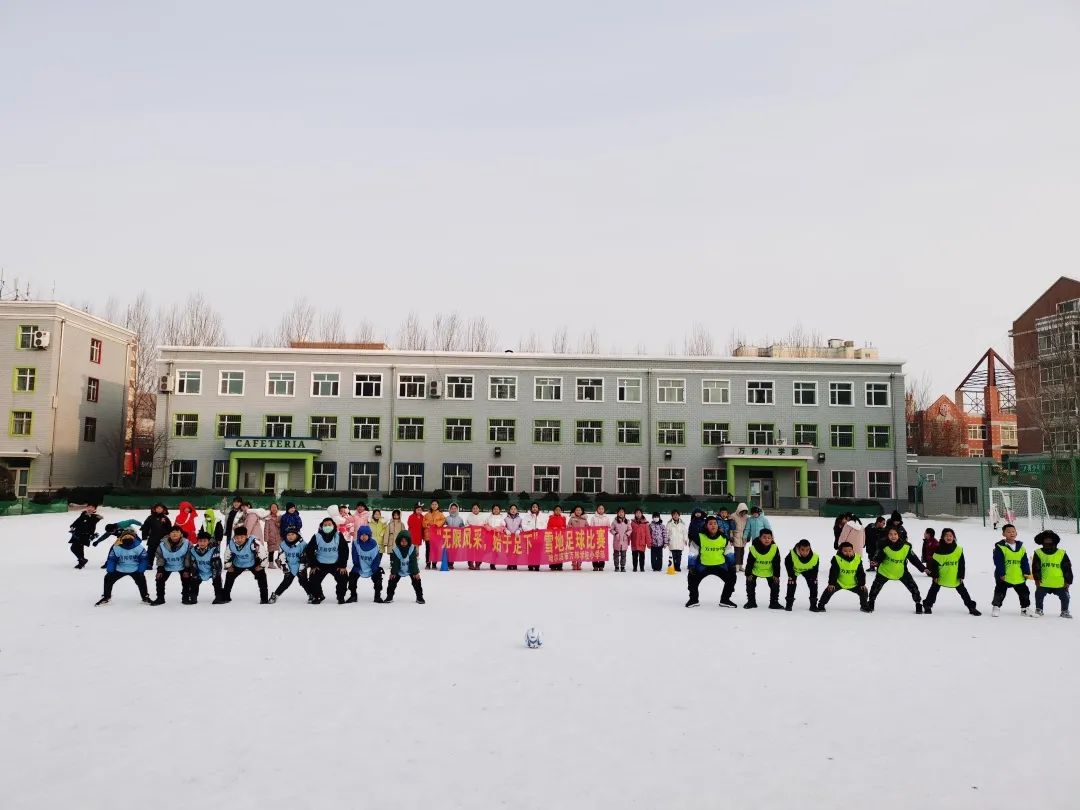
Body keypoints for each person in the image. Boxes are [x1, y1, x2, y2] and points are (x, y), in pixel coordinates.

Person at [867, 526, 926, 614]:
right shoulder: (883, 545)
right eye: (890, 534)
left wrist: (923, 568)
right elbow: (878, 556)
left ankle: (918, 603)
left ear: (899, 535)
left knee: (913, 587)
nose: (893, 536)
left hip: (901, 572)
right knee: (875, 588)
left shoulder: (906, 546)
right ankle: (871, 602)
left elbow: (914, 559)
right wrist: (875, 561)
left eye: (895, 534)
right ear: (887, 535)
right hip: (884, 571)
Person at [923, 528, 980, 616]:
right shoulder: (938, 549)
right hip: (941, 575)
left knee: (963, 591)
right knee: (933, 590)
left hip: (954, 575)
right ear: (942, 537)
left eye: (950, 536)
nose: (948, 537)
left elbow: (962, 564)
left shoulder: (958, 549)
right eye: (946, 536)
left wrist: (961, 576)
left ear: (954, 537)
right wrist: (935, 576)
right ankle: (928, 606)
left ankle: (971, 607)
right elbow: (934, 565)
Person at [685, 515, 737, 608]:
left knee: (732, 577)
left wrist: (732, 564)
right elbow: (693, 552)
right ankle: (693, 599)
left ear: (718, 525)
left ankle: (725, 600)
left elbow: (729, 551)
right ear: (706, 526)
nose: (713, 526)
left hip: (720, 566)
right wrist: (691, 565)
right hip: (703, 566)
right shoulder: (699, 537)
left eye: (715, 523)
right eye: (710, 524)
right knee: (691, 577)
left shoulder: (724, 538)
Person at [95, 528, 151, 606]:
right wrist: (111, 569)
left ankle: (145, 597)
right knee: (108, 578)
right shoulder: (117, 547)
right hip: (120, 568)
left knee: (141, 581)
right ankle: (106, 597)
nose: (127, 538)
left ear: (134, 538)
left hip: (135, 569)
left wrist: (141, 569)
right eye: (125, 537)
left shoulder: (139, 547)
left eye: (130, 537)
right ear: (121, 538)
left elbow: (144, 559)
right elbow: (112, 559)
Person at [991, 524, 1034, 617]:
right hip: (1004, 575)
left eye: (1013, 531)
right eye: (1008, 531)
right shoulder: (1000, 547)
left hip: (1018, 575)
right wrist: (1001, 573)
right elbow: (998, 562)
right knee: (1000, 591)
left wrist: (1026, 572)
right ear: (1003, 534)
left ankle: (1025, 609)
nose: (1011, 533)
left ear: (1016, 533)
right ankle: (996, 607)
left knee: (1024, 592)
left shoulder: (1021, 547)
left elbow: (1024, 562)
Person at [305, 517, 349, 604]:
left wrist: (342, 566)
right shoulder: (317, 536)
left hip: (336, 564)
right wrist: (313, 565)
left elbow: (344, 550)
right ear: (321, 527)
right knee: (313, 579)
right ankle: (318, 596)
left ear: (333, 526)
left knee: (343, 578)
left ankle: (340, 597)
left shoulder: (338, 536)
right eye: (325, 525)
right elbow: (309, 551)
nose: (327, 526)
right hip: (320, 564)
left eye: (329, 524)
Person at [222, 525, 269, 604]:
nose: (239, 539)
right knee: (229, 576)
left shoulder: (253, 542)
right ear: (234, 537)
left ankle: (264, 599)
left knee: (262, 577)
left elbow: (263, 553)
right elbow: (227, 554)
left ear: (246, 536)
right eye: (237, 537)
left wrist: (262, 565)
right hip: (238, 563)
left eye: (242, 537)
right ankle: (226, 597)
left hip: (253, 563)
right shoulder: (232, 544)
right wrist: (228, 566)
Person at [817, 541, 869, 612]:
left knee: (864, 591)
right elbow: (833, 572)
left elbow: (861, 573)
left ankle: (864, 606)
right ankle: (821, 605)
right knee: (829, 590)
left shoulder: (857, 559)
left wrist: (862, 583)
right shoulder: (837, 559)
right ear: (841, 551)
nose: (848, 552)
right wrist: (831, 584)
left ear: (853, 550)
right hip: (839, 582)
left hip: (853, 583)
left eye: (850, 550)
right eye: (845, 551)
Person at [1033, 530, 1073, 618]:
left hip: (1059, 583)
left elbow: (1067, 568)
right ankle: (1039, 609)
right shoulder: (1038, 552)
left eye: (1050, 539)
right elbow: (1036, 567)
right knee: (1038, 595)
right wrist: (1037, 579)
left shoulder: (1061, 553)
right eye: (1045, 539)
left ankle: (1065, 611)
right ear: (1042, 540)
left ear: (1054, 540)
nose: (1048, 541)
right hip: (1044, 582)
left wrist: (1068, 581)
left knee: (1065, 597)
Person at [150, 526, 191, 605]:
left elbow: (188, 557)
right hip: (167, 565)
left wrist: (187, 569)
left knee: (187, 580)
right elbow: (160, 556)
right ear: (169, 534)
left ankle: (185, 598)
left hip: (182, 565)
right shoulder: (162, 544)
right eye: (172, 532)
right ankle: (160, 598)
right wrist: (160, 569)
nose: (174, 534)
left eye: (177, 532)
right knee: (159, 579)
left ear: (181, 534)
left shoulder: (187, 543)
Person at [744, 528, 782, 609]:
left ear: (772, 538)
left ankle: (774, 603)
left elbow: (777, 562)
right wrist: (748, 574)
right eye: (764, 537)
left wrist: (776, 575)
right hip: (756, 570)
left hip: (769, 571)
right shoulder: (753, 548)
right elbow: (749, 562)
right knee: (749, 581)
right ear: (760, 538)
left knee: (775, 583)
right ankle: (751, 602)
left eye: (769, 538)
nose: (767, 539)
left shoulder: (774, 548)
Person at [270, 527, 309, 604]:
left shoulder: (302, 544)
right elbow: (281, 557)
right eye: (288, 535)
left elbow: (306, 557)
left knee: (304, 582)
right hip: (289, 567)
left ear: (297, 535)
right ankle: (276, 594)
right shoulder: (283, 545)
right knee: (286, 582)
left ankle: (311, 594)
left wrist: (302, 568)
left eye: (293, 534)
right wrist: (285, 568)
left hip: (300, 567)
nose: (290, 536)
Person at [184, 530, 224, 605]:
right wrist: (195, 574)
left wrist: (215, 574)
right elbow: (193, 564)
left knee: (217, 580)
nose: (202, 543)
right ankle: (193, 597)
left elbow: (217, 564)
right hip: (200, 571)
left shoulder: (214, 549)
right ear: (197, 541)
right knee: (194, 581)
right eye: (200, 541)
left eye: (205, 541)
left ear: (208, 541)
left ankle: (218, 597)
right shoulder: (193, 551)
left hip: (212, 571)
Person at [347, 525, 384, 603]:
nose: (363, 537)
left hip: (372, 567)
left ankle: (377, 596)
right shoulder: (355, 543)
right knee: (352, 579)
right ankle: (353, 596)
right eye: (361, 535)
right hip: (359, 566)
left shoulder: (374, 544)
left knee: (378, 579)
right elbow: (354, 556)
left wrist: (374, 568)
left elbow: (376, 558)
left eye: (366, 535)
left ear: (369, 535)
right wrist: (357, 566)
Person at [386, 530, 425, 604]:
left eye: (405, 541)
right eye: (402, 541)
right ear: (399, 541)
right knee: (392, 581)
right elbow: (395, 563)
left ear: (408, 541)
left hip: (410, 569)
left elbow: (413, 562)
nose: (404, 543)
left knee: (416, 581)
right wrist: (393, 573)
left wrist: (415, 573)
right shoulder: (396, 550)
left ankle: (419, 597)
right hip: (399, 569)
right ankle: (389, 596)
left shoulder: (412, 549)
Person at [785, 539, 821, 612]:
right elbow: (787, 564)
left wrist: (814, 578)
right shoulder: (791, 554)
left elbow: (815, 570)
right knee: (791, 583)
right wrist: (791, 575)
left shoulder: (815, 557)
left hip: (808, 570)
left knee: (814, 584)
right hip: (795, 570)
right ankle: (789, 604)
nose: (805, 552)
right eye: (802, 550)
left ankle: (813, 605)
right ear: (798, 548)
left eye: (807, 550)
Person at [68, 505, 102, 569]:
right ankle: (81, 562)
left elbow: (91, 522)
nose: (90, 508)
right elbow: (77, 521)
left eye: (92, 507)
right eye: (89, 507)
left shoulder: (95, 517)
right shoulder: (83, 515)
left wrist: (88, 516)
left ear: (94, 510)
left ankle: (82, 560)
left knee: (73, 548)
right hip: (77, 534)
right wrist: (72, 526)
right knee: (80, 548)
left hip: (85, 535)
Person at [521, 502, 545, 571]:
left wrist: (539, 529)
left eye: (536, 507)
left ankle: (537, 565)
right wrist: (530, 530)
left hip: (539, 537)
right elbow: (524, 525)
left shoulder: (542, 516)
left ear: (538, 508)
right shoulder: (527, 517)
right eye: (533, 507)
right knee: (530, 552)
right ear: (531, 508)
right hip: (529, 537)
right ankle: (530, 565)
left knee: (538, 552)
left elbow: (545, 525)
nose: (535, 508)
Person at [423, 500, 446, 569]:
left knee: (435, 549)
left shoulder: (440, 514)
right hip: (428, 534)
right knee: (428, 549)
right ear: (431, 505)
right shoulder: (427, 514)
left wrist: (436, 524)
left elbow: (443, 520)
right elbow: (423, 523)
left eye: (435, 504)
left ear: (438, 505)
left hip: (436, 535)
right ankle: (428, 563)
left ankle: (434, 563)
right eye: (433, 504)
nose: (434, 506)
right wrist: (428, 525)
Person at [463, 503, 487, 570]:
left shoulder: (482, 516)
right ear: (472, 509)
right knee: (470, 550)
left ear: (479, 509)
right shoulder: (469, 516)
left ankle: (478, 564)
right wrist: (469, 527)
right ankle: (470, 563)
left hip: (479, 537)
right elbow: (466, 525)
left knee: (479, 551)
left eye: (476, 508)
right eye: (474, 508)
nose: (475, 509)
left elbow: (485, 525)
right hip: (470, 536)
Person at [590, 504, 612, 571]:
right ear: (597, 509)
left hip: (603, 537)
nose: (601, 510)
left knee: (602, 551)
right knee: (595, 550)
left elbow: (609, 527)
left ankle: (601, 565)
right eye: (599, 508)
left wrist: (605, 530)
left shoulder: (606, 517)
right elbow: (591, 526)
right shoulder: (593, 517)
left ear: (604, 510)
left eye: (602, 508)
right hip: (595, 537)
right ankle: (595, 565)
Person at [567, 505, 589, 571]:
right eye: (577, 510)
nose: (578, 511)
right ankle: (574, 564)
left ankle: (579, 564)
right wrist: (570, 527)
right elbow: (568, 525)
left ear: (582, 511)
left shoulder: (584, 519)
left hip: (582, 538)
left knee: (580, 551)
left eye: (579, 510)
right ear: (574, 511)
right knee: (573, 551)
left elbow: (588, 527)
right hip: (573, 537)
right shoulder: (572, 518)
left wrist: (586, 528)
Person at [547, 505, 568, 571]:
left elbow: (565, 527)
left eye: (559, 510)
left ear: (561, 511)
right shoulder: (551, 518)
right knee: (553, 551)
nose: (558, 511)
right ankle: (552, 565)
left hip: (560, 537)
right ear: (554, 511)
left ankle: (559, 565)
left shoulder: (563, 518)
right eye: (556, 510)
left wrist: (562, 528)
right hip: (553, 537)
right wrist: (553, 529)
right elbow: (548, 527)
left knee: (560, 551)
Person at [610, 508, 632, 572]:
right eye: (619, 512)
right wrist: (616, 534)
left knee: (623, 555)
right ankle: (616, 566)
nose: (621, 513)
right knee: (616, 554)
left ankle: (622, 566)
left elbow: (630, 529)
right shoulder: (615, 521)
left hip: (624, 540)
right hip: (617, 540)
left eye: (622, 512)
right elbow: (611, 529)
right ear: (617, 513)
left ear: (624, 513)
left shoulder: (627, 521)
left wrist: (627, 534)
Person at [731, 504, 750, 571]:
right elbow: (731, 528)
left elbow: (748, 527)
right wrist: (731, 537)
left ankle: (741, 565)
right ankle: (736, 566)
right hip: (736, 536)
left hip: (743, 537)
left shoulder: (747, 517)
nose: (743, 513)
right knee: (737, 552)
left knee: (742, 552)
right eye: (742, 511)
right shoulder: (733, 516)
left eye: (745, 512)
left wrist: (748, 536)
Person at [487, 504, 506, 570]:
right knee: (490, 550)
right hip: (490, 536)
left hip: (498, 536)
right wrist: (488, 527)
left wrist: (499, 528)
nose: (496, 510)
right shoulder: (489, 517)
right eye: (494, 509)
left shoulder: (501, 518)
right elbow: (485, 524)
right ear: (492, 510)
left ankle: (493, 563)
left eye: (497, 509)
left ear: (499, 510)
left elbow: (503, 526)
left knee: (495, 550)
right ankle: (490, 561)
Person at [504, 504, 523, 570]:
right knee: (508, 551)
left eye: (515, 509)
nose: (513, 510)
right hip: (508, 538)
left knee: (515, 551)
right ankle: (509, 564)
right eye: (511, 509)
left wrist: (519, 530)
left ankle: (514, 564)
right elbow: (504, 526)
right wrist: (506, 530)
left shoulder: (520, 519)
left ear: (517, 510)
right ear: (509, 510)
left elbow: (521, 527)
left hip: (516, 537)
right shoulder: (506, 518)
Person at [264, 503, 282, 569]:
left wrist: (278, 524)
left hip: (279, 536)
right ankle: (270, 564)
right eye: (272, 507)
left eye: (275, 507)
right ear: (270, 509)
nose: (274, 508)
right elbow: (266, 528)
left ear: (277, 508)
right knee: (271, 550)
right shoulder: (268, 518)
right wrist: (266, 537)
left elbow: (282, 526)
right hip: (271, 537)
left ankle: (278, 560)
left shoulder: (280, 517)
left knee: (281, 549)